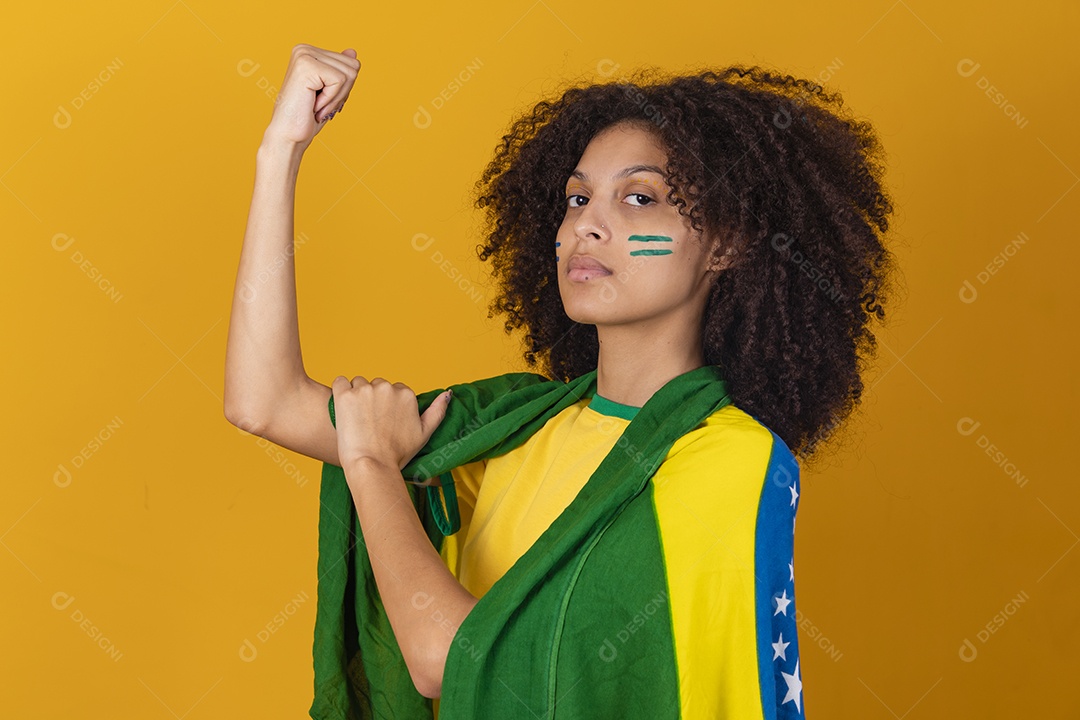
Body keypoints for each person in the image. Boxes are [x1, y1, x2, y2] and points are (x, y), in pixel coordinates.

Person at [225, 44, 897, 719]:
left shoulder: (728, 459)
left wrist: (371, 462)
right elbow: (265, 402)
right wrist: (280, 151)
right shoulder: (518, 426)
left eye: (640, 197)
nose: (587, 225)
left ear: (725, 244)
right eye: (577, 198)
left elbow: (450, 660)